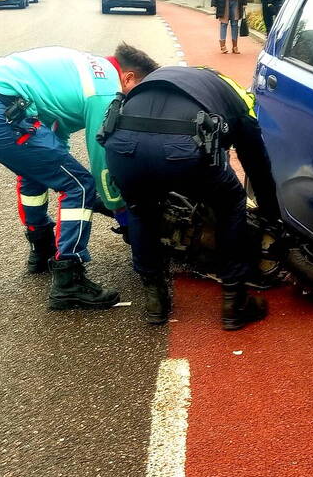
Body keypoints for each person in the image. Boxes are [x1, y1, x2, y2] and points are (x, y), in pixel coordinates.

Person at [0, 43, 159, 310]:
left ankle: (41, 250)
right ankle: (69, 279)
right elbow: (102, 158)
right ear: (128, 78)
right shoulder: (106, 91)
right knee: (79, 185)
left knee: (36, 172)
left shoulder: (89, 69)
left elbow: (54, 133)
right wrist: (120, 210)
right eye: (138, 92)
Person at [99, 65, 282, 330]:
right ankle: (235, 302)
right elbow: (256, 163)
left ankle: (155, 301)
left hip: (122, 149)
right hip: (182, 150)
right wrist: (270, 212)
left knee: (141, 211)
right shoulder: (238, 96)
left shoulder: (159, 77)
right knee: (231, 204)